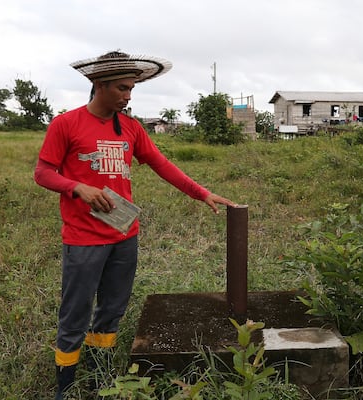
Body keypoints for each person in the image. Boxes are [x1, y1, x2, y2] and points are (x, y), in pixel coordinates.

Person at [33, 50, 235, 399]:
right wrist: (78, 187)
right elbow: (43, 173)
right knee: (75, 313)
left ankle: (97, 379)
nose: (128, 96)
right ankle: (64, 388)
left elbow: (160, 163)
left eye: (132, 89)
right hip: (84, 238)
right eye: (123, 88)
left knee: (111, 310)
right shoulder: (66, 124)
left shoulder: (130, 127)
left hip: (125, 235)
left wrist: (201, 193)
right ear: (99, 85)